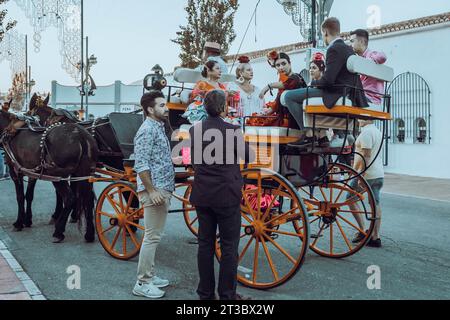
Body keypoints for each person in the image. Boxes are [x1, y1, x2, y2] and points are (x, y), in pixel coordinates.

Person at [189, 90, 254, 301]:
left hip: (203, 194)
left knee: (205, 245)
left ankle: (205, 294)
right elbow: (248, 156)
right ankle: (227, 294)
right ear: (224, 108)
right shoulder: (232, 130)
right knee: (228, 247)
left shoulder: (195, 130)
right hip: (227, 194)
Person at [282, 17, 369, 146]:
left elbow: (328, 80)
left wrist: (313, 83)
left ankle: (309, 134)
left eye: (323, 34)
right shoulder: (348, 49)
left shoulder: (334, 49)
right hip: (347, 92)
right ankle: (320, 135)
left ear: (326, 33)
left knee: (289, 96)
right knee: (299, 97)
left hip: (336, 92)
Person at [132, 90, 175, 299]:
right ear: (150, 109)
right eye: (161, 105)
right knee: (151, 236)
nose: (165, 108)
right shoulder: (147, 130)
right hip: (155, 190)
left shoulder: (158, 127)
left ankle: (150, 274)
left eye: (165, 104)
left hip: (162, 187)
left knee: (155, 236)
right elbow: (140, 164)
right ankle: (143, 282)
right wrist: (151, 190)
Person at [349, 119, 384, 248]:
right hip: (378, 173)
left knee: (349, 199)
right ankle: (375, 237)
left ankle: (363, 230)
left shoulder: (366, 133)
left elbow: (366, 155)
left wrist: (360, 174)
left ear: (367, 119)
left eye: (361, 117)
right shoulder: (377, 131)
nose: (358, 120)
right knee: (375, 203)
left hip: (367, 174)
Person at [259, 51, 307, 127]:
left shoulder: (296, 78)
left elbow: (286, 84)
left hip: (296, 121)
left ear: (290, 64)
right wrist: (268, 111)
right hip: (286, 119)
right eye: (278, 65)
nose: (281, 67)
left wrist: (268, 87)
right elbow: (278, 100)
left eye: (283, 63)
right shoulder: (282, 81)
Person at [350, 29, 387, 105]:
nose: (351, 45)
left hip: (371, 99)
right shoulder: (359, 59)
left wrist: (366, 63)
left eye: (352, 41)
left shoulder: (371, 54)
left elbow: (383, 56)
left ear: (361, 41)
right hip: (363, 97)